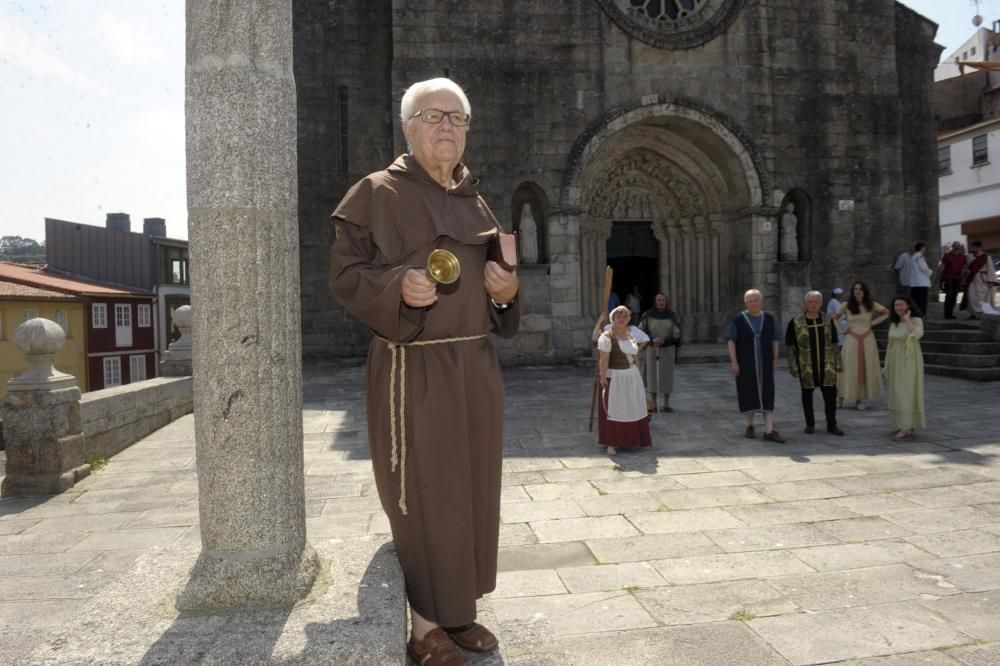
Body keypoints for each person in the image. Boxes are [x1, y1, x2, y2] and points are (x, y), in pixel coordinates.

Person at [329, 77, 518, 665]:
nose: (446, 128)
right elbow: (344, 276)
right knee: (425, 492)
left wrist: (508, 293)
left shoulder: (475, 199)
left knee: (472, 486)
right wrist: (396, 286)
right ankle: (425, 625)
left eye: (457, 119)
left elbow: (498, 285)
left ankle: (460, 612)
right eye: (433, 117)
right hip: (415, 364)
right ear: (407, 127)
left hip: (475, 362)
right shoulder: (376, 193)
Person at [725, 289, 785, 442]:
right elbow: (731, 341)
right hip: (746, 363)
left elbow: (774, 341)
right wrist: (734, 362)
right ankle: (750, 425)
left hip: (765, 363)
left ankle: (769, 430)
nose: (753, 303)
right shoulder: (738, 320)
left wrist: (775, 359)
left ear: (761, 301)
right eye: (749, 301)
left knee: (767, 393)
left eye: (755, 300)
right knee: (748, 392)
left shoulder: (770, 319)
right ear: (746, 303)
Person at [786, 291, 844, 436]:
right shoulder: (796, 322)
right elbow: (791, 347)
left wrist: (838, 363)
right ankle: (810, 424)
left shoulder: (827, 321)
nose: (813, 304)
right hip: (806, 366)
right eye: (810, 302)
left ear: (821, 303)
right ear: (806, 303)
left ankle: (832, 424)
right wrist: (793, 366)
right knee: (807, 395)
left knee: (830, 396)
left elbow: (834, 343)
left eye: (816, 302)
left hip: (827, 365)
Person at [597, 305, 652, 454]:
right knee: (615, 409)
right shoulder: (606, 337)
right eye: (618, 316)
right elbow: (603, 359)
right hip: (615, 377)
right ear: (613, 319)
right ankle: (611, 443)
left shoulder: (631, 336)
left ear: (628, 319)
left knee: (631, 407)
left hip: (631, 376)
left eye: (624, 316)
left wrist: (638, 375)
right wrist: (603, 377)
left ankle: (631, 440)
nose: (621, 319)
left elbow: (635, 358)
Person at [832, 281, 889, 410]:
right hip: (852, 339)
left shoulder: (871, 304)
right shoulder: (846, 305)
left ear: (865, 291)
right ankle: (839, 398)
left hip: (868, 339)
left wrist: (872, 323)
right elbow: (834, 318)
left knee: (864, 367)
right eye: (855, 289)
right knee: (847, 367)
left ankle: (860, 399)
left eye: (860, 289)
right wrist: (842, 330)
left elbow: (887, 312)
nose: (857, 291)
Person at [884, 295, 925, 441]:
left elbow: (917, 334)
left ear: (908, 305)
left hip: (909, 361)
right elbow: (890, 343)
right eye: (896, 305)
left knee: (905, 392)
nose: (898, 308)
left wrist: (907, 319)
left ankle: (907, 426)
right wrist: (887, 363)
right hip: (895, 361)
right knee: (896, 392)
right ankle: (902, 424)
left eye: (901, 305)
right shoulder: (894, 323)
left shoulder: (915, 320)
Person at [638, 293, 681, 413]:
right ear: (655, 302)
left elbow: (677, 333)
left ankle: (666, 404)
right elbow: (640, 331)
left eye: (663, 300)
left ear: (666, 302)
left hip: (667, 348)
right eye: (658, 300)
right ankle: (653, 403)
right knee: (651, 375)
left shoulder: (672, 316)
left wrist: (665, 340)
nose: (661, 302)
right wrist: (652, 339)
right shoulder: (647, 315)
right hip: (651, 348)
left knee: (667, 375)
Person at [962, 241, 995, 319]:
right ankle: (973, 313)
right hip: (972, 278)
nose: (972, 249)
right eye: (972, 247)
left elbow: (990, 268)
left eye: (974, 247)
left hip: (981, 279)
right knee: (971, 295)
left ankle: (981, 312)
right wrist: (965, 272)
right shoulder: (970, 256)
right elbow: (967, 267)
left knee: (981, 296)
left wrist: (991, 281)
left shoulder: (986, 256)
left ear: (979, 247)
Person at [939, 241, 967, 319]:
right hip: (949, 278)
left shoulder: (962, 257)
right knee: (949, 296)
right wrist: (940, 278)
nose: (957, 247)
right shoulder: (947, 256)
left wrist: (964, 271)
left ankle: (950, 313)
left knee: (954, 296)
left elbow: (965, 266)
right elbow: (942, 266)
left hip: (958, 278)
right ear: (953, 247)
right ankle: (947, 314)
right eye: (955, 246)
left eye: (958, 246)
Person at [909, 241, 933, 316]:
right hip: (921, 282)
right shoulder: (919, 257)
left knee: (915, 300)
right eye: (924, 248)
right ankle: (921, 315)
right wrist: (931, 272)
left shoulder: (912, 257)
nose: (925, 249)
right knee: (922, 300)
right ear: (922, 248)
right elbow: (923, 268)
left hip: (914, 282)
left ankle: (915, 314)